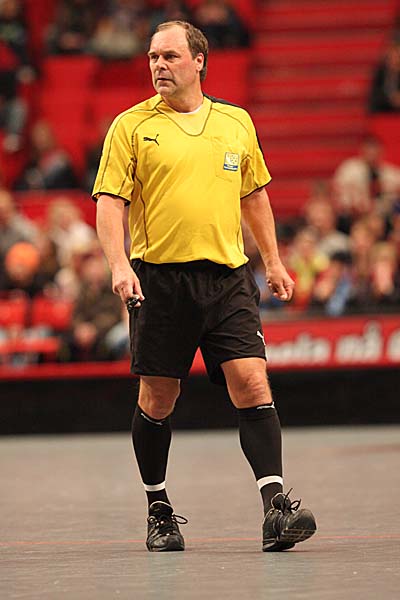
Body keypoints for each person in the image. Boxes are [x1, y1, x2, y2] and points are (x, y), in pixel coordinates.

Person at [93, 20, 317, 553]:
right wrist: (119, 265)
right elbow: (110, 202)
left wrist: (274, 262)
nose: (158, 65)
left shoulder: (235, 122)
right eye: (153, 57)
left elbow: (254, 195)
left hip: (227, 277)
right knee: (158, 397)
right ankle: (159, 510)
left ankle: (276, 510)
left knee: (253, 383)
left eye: (169, 56)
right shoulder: (131, 126)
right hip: (159, 281)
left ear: (199, 61)